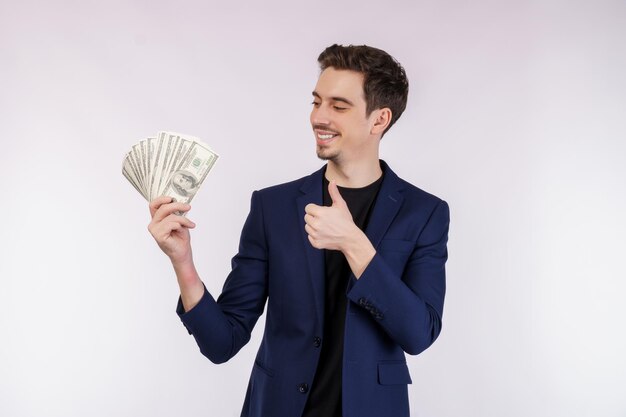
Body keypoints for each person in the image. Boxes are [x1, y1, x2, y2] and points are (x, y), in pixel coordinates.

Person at [148, 44, 450, 417]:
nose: (319, 117)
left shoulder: (424, 213)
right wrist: (183, 262)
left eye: (338, 106)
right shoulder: (272, 207)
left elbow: (419, 334)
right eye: (316, 102)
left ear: (379, 119)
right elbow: (221, 342)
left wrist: (354, 244)